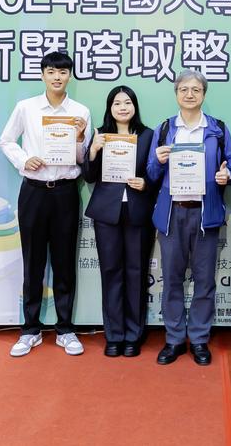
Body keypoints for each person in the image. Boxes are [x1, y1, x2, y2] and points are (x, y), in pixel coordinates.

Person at [0, 51, 91, 358]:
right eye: (51, 71)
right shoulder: (26, 107)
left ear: (69, 76)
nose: (57, 77)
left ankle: (65, 329)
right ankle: (30, 329)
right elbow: (6, 140)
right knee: (33, 262)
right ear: (42, 75)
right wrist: (24, 160)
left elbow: (83, 159)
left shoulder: (80, 111)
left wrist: (80, 138)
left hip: (65, 192)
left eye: (62, 72)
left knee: (64, 262)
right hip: (34, 192)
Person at [146, 69, 231, 366]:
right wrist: (158, 161)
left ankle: (199, 339)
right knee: (172, 279)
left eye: (196, 90)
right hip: (172, 213)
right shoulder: (164, 129)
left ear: (203, 95)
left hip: (205, 213)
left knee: (204, 280)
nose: (189, 94)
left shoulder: (218, 129)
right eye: (184, 89)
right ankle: (174, 339)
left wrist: (227, 175)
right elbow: (151, 174)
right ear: (176, 94)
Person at [82, 86, 155, 357]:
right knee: (111, 272)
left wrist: (146, 183)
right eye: (117, 103)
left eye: (127, 102)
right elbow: (88, 176)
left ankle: (133, 335)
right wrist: (93, 151)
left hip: (138, 211)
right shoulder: (100, 134)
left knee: (136, 273)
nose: (122, 107)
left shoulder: (148, 135)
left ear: (135, 106)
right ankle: (114, 335)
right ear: (109, 108)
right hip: (107, 212)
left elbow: (156, 173)